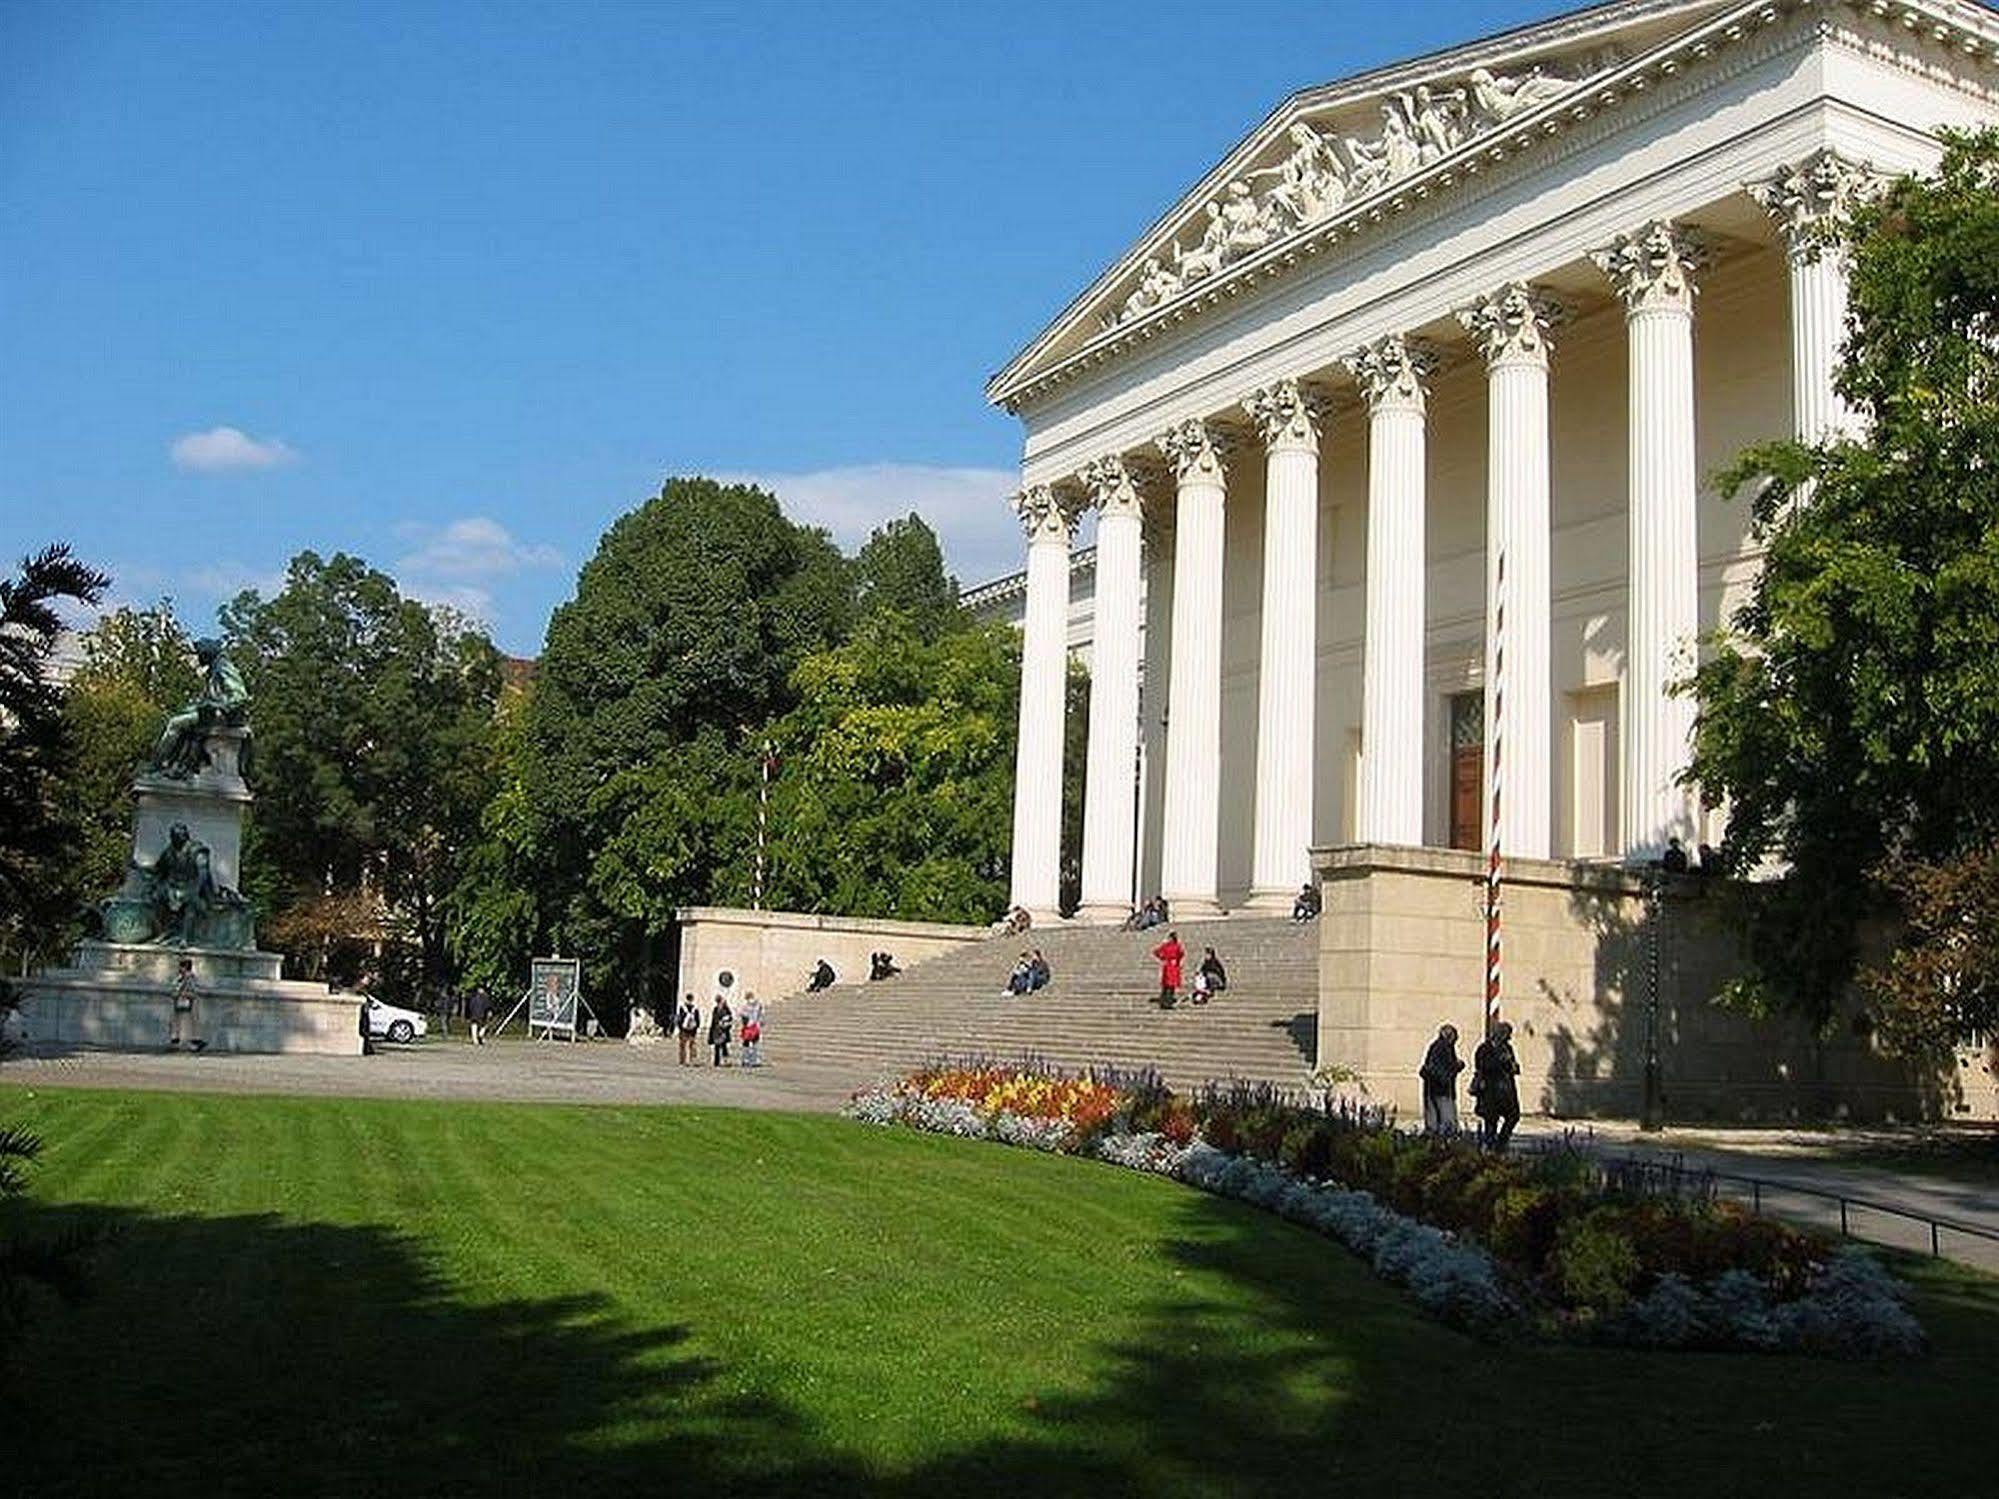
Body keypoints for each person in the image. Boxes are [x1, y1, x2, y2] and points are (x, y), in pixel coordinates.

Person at [1470, 1021, 1522, 1151]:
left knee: (1513, 1116)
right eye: (1506, 1034)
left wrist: (1513, 1067)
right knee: (1490, 1121)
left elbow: (1513, 1065)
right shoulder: (1484, 1048)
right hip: (1490, 1091)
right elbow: (1482, 1065)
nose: (1508, 1038)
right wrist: (1501, 1062)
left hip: (1507, 1091)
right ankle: (1490, 1147)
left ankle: (1501, 1142)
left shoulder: (1507, 1048)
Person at [1419, 1024, 1463, 1134]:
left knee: (1434, 1121)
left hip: (1432, 1089)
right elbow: (1446, 1068)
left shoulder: (1436, 1047)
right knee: (1447, 1122)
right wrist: (1458, 1066)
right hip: (1442, 1089)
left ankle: (1435, 1140)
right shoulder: (1444, 1047)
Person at [168, 956, 205, 1052]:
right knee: (177, 1022)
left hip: (190, 1003)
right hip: (180, 1003)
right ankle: (176, 1041)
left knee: (190, 1023)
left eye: (181, 966)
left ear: (185, 967)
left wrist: (185, 994)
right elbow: (173, 988)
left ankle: (194, 1043)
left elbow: (196, 991)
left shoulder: (191, 978)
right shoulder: (179, 978)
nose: (179, 969)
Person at [1152, 930, 1185, 1010]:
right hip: (1170, 967)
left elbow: (1181, 954)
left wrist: (1163, 958)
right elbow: (1181, 954)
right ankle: (1166, 1002)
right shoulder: (1169, 945)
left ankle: (1166, 1002)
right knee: (1168, 986)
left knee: (1169, 986)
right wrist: (1163, 958)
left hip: (1171, 966)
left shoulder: (1174, 945)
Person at [739, 992, 764, 1068]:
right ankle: (755, 1060)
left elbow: (743, 1016)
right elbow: (761, 1016)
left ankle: (746, 1060)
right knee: (755, 1044)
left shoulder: (745, 1006)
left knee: (746, 1044)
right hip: (755, 1026)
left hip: (748, 1027)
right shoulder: (758, 1005)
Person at [675, 992, 701, 1066]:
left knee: (682, 1046)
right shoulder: (695, 1009)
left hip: (683, 1029)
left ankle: (682, 1061)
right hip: (692, 1030)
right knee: (692, 1046)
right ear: (692, 999)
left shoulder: (682, 1008)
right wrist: (696, 1028)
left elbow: (679, 1018)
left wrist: (680, 1027)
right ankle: (692, 1060)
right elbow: (698, 1019)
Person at [708, 992, 734, 1066]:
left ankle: (725, 1061)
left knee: (723, 1046)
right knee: (718, 1046)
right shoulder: (716, 1009)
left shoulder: (725, 1009)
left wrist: (725, 1025)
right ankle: (717, 1061)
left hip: (723, 1030)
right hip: (717, 1030)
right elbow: (714, 1021)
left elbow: (730, 1019)